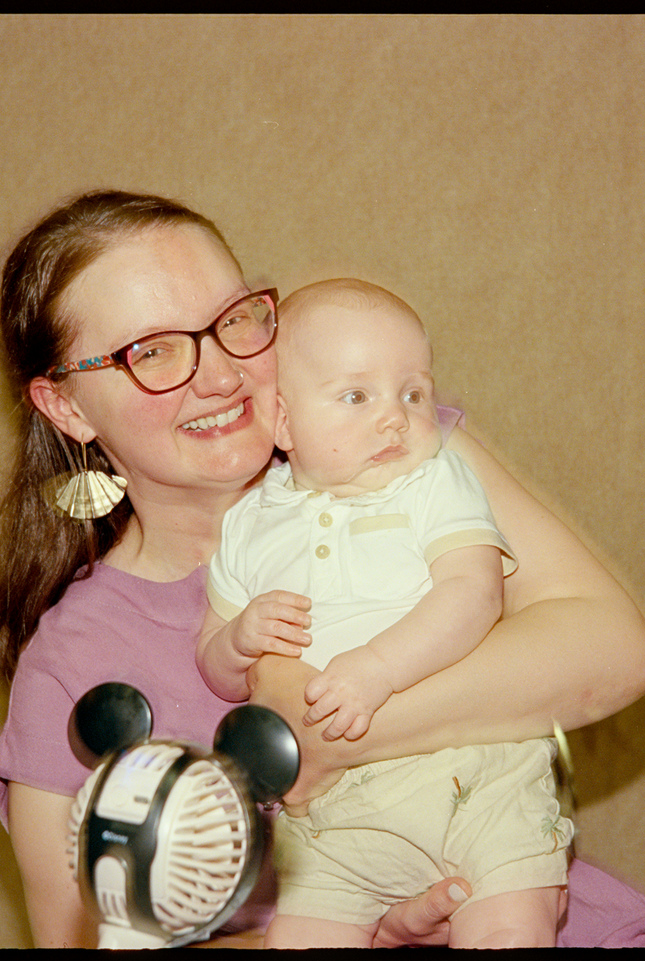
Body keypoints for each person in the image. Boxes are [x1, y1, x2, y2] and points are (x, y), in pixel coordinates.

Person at [0, 188, 645, 948]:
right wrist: (366, 924)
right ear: (66, 402)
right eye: (154, 350)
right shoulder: (74, 662)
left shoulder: (402, 448)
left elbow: (616, 653)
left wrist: (338, 729)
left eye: (233, 321)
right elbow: (85, 938)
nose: (218, 374)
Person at [197, 279, 570, 948]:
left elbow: (474, 592)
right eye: (355, 395)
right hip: (335, 819)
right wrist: (237, 638)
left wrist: (377, 667)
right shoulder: (249, 525)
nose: (395, 417)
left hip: (477, 773)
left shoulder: (435, 481)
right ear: (283, 422)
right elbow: (216, 669)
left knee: (509, 928)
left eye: (414, 392)